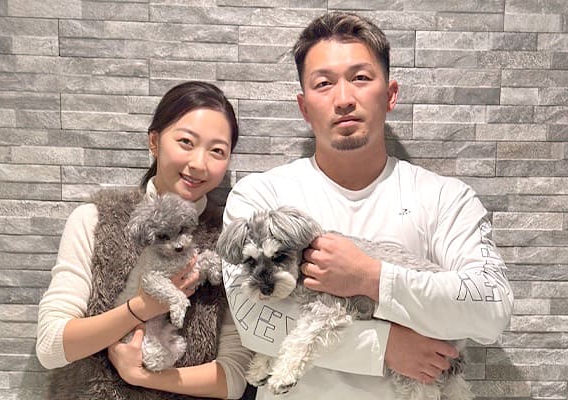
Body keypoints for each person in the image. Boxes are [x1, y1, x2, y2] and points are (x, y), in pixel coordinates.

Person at [221, 12, 514, 400]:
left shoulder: (447, 198)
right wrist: (385, 346)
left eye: (360, 77)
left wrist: (370, 277)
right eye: (323, 83)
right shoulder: (260, 197)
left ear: (390, 94)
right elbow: (253, 322)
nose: (344, 99)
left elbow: (492, 309)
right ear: (304, 107)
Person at [36, 81, 253, 400]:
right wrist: (141, 307)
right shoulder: (96, 219)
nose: (199, 163)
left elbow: (234, 377)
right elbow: (51, 346)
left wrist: (141, 376)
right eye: (186, 142)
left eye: (217, 151)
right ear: (154, 141)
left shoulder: (230, 239)